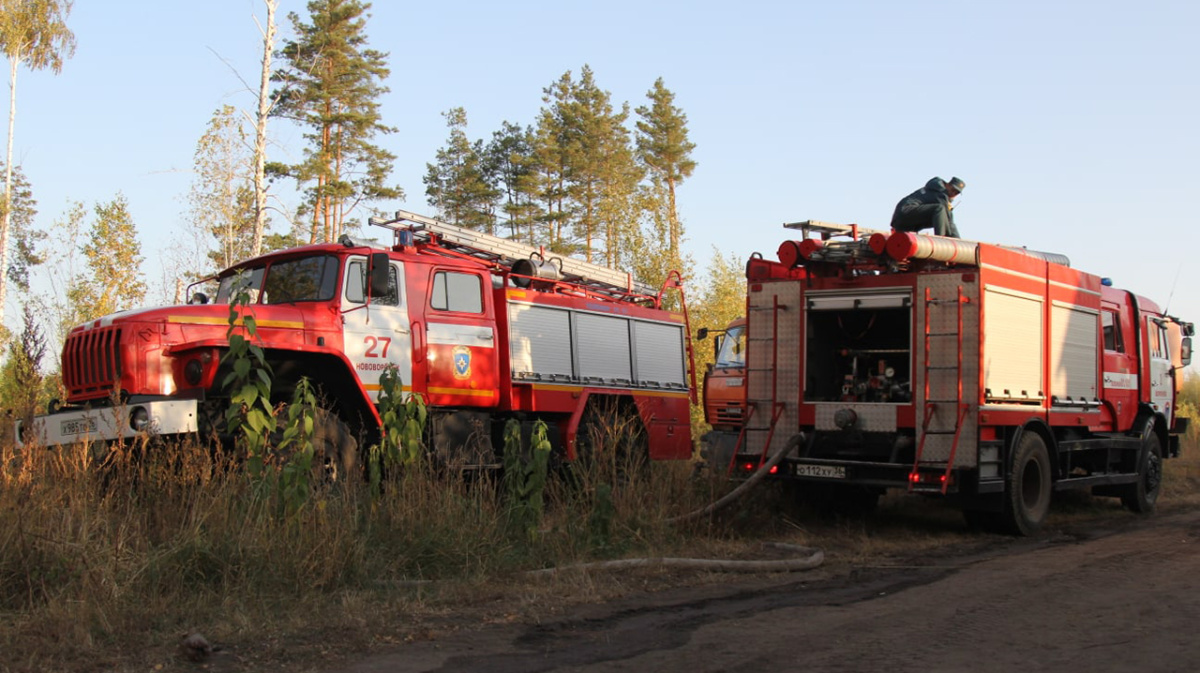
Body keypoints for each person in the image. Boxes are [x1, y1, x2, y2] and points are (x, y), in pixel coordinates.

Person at [890, 176, 965, 238]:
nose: (953, 193)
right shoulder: (941, 193)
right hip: (905, 211)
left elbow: (948, 221)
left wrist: (958, 241)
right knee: (939, 209)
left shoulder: (938, 191)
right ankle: (941, 239)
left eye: (957, 192)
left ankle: (944, 239)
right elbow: (949, 221)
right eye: (953, 189)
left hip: (903, 222)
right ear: (947, 185)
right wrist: (956, 241)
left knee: (942, 216)